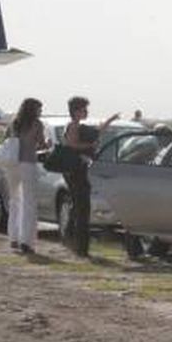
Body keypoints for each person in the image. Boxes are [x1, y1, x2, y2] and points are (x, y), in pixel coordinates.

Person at [62, 96, 120, 257]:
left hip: (78, 169)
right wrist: (90, 146)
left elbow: (98, 131)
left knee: (79, 207)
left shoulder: (79, 126)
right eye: (83, 109)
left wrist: (111, 120)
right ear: (75, 111)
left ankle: (73, 240)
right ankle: (80, 245)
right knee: (82, 207)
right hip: (75, 170)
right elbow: (72, 144)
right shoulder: (73, 126)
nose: (86, 112)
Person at [5, 98, 48, 254]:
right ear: (33, 110)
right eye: (39, 109)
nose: (41, 112)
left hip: (12, 164)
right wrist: (47, 144)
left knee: (14, 201)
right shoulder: (37, 124)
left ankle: (13, 238)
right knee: (28, 203)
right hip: (28, 163)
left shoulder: (14, 123)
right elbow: (42, 144)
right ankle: (26, 241)